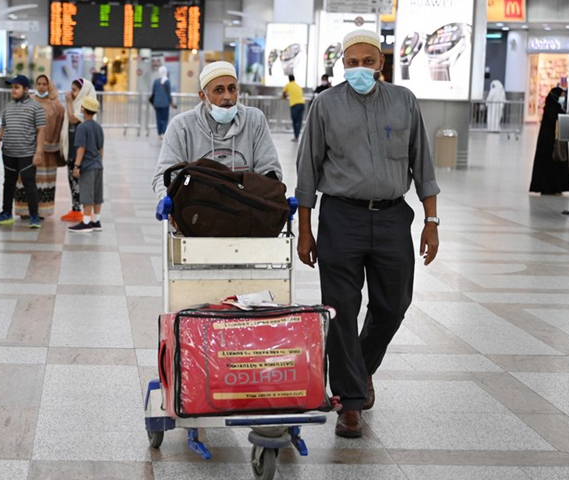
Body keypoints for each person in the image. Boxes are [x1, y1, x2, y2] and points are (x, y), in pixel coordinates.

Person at [295, 29, 440, 439]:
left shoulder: (403, 101)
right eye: (352, 62)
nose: (360, 68)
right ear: (342, 64)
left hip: (394, 218)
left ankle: (360, 369)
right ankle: (349, 402)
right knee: (340, 309)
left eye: (368, 61)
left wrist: (431, 222)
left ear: (381, 63)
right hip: (341, 217)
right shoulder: (325, 105)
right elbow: (307, 171)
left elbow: (423, 166)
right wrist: (305, 230)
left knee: (393, 305)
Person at [152, 61, 282, 199]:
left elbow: (270, 170)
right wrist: (169, 201)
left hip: (244, 210)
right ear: (203, 96)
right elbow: (164, 176)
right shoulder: (182, 126)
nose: (227, 96)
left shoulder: (254, 120)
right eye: (219, 90)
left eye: (232, 89)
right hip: (198, 212)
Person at [0, 75, 47, 228]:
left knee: (29, 184)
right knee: (8, 183)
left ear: (26, 90)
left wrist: (39, 152)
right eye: (12, 87)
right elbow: (3, 125)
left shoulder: (36, 107)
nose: (13, 90)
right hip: (8, 153)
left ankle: (34, 216)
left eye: (17, 87)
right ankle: (6, 213)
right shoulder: (8, 106)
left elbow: (41, 131)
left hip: (27, 153)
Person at [15, 75, 66, 220]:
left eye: (45, 84)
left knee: (43, 180)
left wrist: (54, 145)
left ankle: (41, 211)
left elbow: (60, 125)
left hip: (48, 151)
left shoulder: (56, 104)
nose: (42, 86)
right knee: (26, 178)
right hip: (28, 148)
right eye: (39, 83)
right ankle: (24, 210)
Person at [60, 78, 98, 223]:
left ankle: (82, 211)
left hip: (80, 155)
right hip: (72, 151)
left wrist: (69, 102)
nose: (71, 93)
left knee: (79, 183)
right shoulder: (78, 105)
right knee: (73, 182)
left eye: (75, 90)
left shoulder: (85, 108)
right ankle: (76, 209)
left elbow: (72, 118)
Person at [68, 97, 105, 233]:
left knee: (88, 194)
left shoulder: (82, 127)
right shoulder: (98, 127)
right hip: (98, 165)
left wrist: (76, 166)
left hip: (88, 166)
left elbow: (81, 148)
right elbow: (101, 149)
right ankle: (96, 221)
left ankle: (86, 222)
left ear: (83, 109)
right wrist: (100, 162)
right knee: (97, 194)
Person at [529, 87, 569, 195]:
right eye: (561, 96)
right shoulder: (550, 109)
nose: (562, 98)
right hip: (548, 144)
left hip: (554, 142)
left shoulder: (556, 108)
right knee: (548, 166)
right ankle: (547, 187)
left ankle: (557, 187)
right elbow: (554, 120)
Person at [151, 66, 177, 138]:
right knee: (165, 118)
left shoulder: (156, 81)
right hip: (165, 103)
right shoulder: (167, 81)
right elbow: (168, 93)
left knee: (158, 118)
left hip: (157, 103)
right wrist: (171, 102)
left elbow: (153, 92)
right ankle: (163, 132)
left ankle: (159, 133)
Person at [282, 74, 306, 142]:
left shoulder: (288, 85)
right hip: (302, 104)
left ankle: (296, 136)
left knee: (295, 121)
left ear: (289, 79)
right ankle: (297, 136)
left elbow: (283, 94)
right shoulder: (298, 85)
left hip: (294, 105)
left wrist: (285, 97)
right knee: (299, 120)